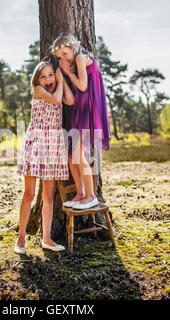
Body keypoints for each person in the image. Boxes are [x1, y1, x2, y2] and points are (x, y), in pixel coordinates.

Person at [14, 58, 74, 254]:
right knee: (30, 193)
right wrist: (59, 81)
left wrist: (63, 80)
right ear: (36, 81)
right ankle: (21, 237)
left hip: (53, 145)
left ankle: (47, 238)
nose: (48, 79)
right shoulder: (38, 92)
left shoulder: (57, 90)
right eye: (44, 76)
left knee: (48, 195)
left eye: (51, 75)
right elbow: (57, 100)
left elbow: (69, 100)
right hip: (37, 143)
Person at [51, 32, 111, 210]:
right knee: (71, 156)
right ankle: (80, 193)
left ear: (73, 47)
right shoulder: (77, 61)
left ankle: (91, 196)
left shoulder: (80, 58)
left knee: (77, 155)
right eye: (59, 56)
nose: (63, 58)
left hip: (88, 111)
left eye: (65, 53)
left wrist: (69, 73)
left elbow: (83, 86)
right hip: (81, 108)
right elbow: (76, 96)